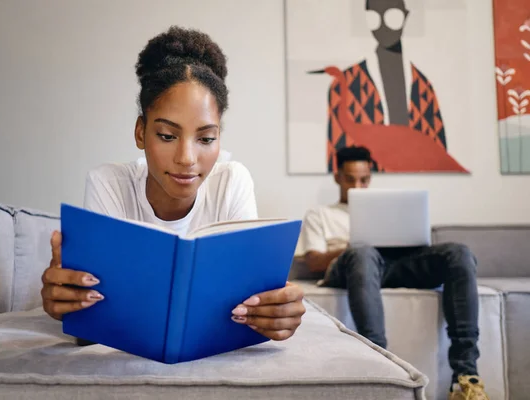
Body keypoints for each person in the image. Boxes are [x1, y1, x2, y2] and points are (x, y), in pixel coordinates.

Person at [40, 26, 305, 342]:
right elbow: (95, 319)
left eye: (206, 138)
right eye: (167, 136)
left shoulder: (232, 180)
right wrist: (72, 302)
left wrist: (275, 309)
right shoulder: (108, 183)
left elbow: (250, 298)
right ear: (141, 132)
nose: (187, 158)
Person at [300, 146, 489, 400]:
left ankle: (466, 379)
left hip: (392, 265)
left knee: (459, 253)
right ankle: (382, 370)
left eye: (364, 179)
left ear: (371, 177)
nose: (357, 185)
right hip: (352, 267)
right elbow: (313, 262)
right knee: (363, 252)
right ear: (337, 177)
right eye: (350, 179)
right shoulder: (320, 214)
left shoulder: (384, 209)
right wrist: (353, 244)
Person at [323, 0, 451, 173]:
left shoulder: (423, 87)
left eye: (393, 17)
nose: (383, 26)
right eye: (374, 18)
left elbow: (439, 159)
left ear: (405, 17)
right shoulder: (344, 84)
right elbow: (338, 164)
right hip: (365, 191)